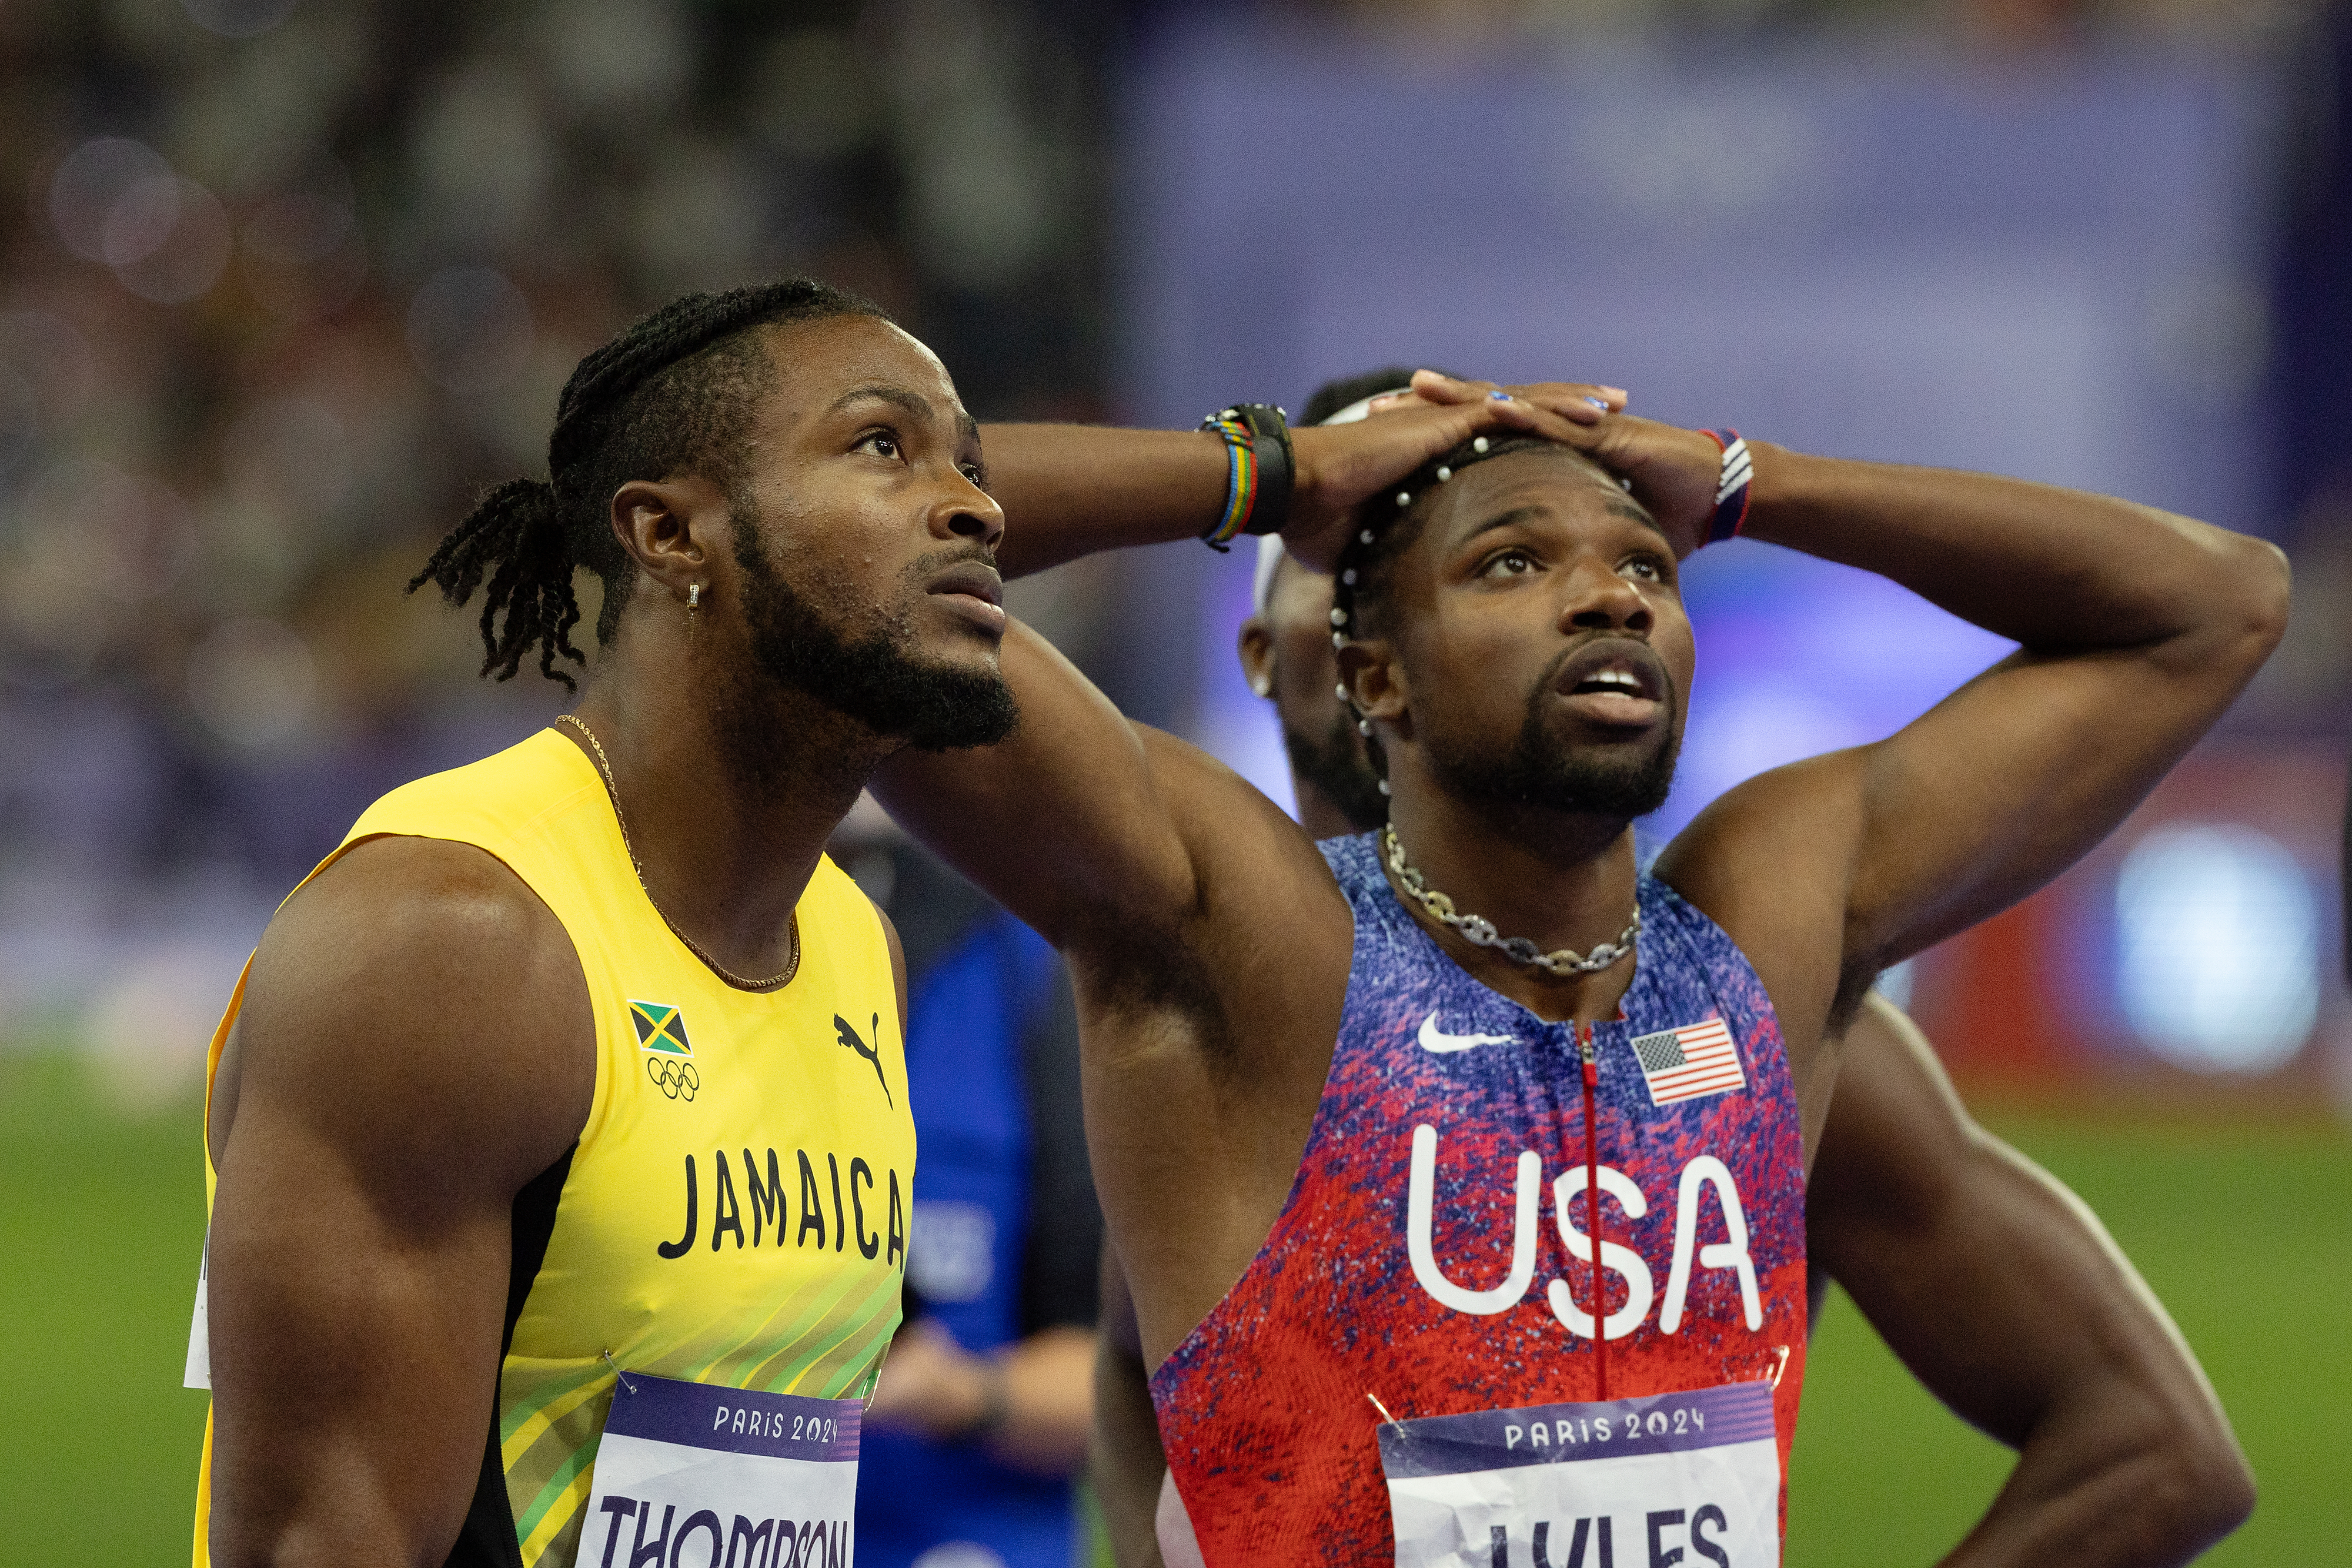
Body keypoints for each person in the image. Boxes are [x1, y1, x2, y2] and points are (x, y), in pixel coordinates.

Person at [875, 370, 2289, 1563]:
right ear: (1373, 676)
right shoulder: (1248, 941)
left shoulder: (1761, 930)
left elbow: (2215, 602)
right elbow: (865, 554)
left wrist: (1749, 485)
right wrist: (1269, 473)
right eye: (1512, 563)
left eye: (1641, 566)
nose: (1604, 598)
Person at [189, 279, 1033, 1568]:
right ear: (670, 534)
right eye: (881, 444)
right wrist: (1259, 475)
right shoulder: (454, 938)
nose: (979, 505)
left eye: (968, 464)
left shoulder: (856, 947)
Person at [841, 821, 1104, 1568]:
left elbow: (1112, 1387)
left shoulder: (1031, 975)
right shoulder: (708, 939)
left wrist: (955, 1394)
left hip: (968, 1536)